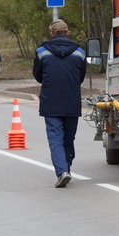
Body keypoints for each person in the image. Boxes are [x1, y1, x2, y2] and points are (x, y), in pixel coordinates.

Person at [33, 20, 86, 187]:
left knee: (55, 138)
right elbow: (81, 78)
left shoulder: (41, 52)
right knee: (68, 139)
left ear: (51, 33)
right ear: (67, 32)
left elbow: (38, 75)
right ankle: (66, 169)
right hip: (72, 102)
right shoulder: (79, 52)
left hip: (51, 102)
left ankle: (63, 171)